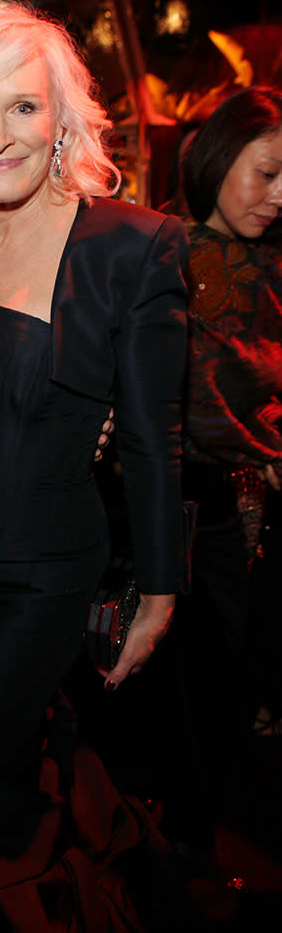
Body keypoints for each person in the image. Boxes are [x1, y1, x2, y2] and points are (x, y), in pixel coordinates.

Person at [0, 0, 190, 930]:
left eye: (22, 106)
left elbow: (151, 435)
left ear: (60, 117)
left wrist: (159, 591)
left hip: (33, 588)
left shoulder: (128, 246)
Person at [169, 85, 282, 854]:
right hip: (186, 515)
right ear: (216, 158)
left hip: (260, 523)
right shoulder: (162, 254)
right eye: (267, 172)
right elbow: (189, 400)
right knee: (195, 699)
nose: (277, 197)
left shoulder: (274, 266)